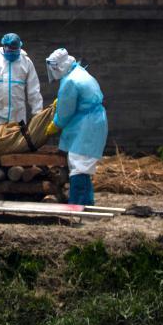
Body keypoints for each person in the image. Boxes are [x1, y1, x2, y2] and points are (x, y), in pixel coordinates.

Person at [44, 48, 107, 206]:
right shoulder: (78, 72)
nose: (54, 71)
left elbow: (65, 111)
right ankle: (86, 203)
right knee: (81, 165)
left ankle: (78, 204)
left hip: (87, 124)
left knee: (79, 164)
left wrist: (55, 124)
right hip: (92, 121)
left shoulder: (70, 81)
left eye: (54, 67)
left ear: (60, 65)